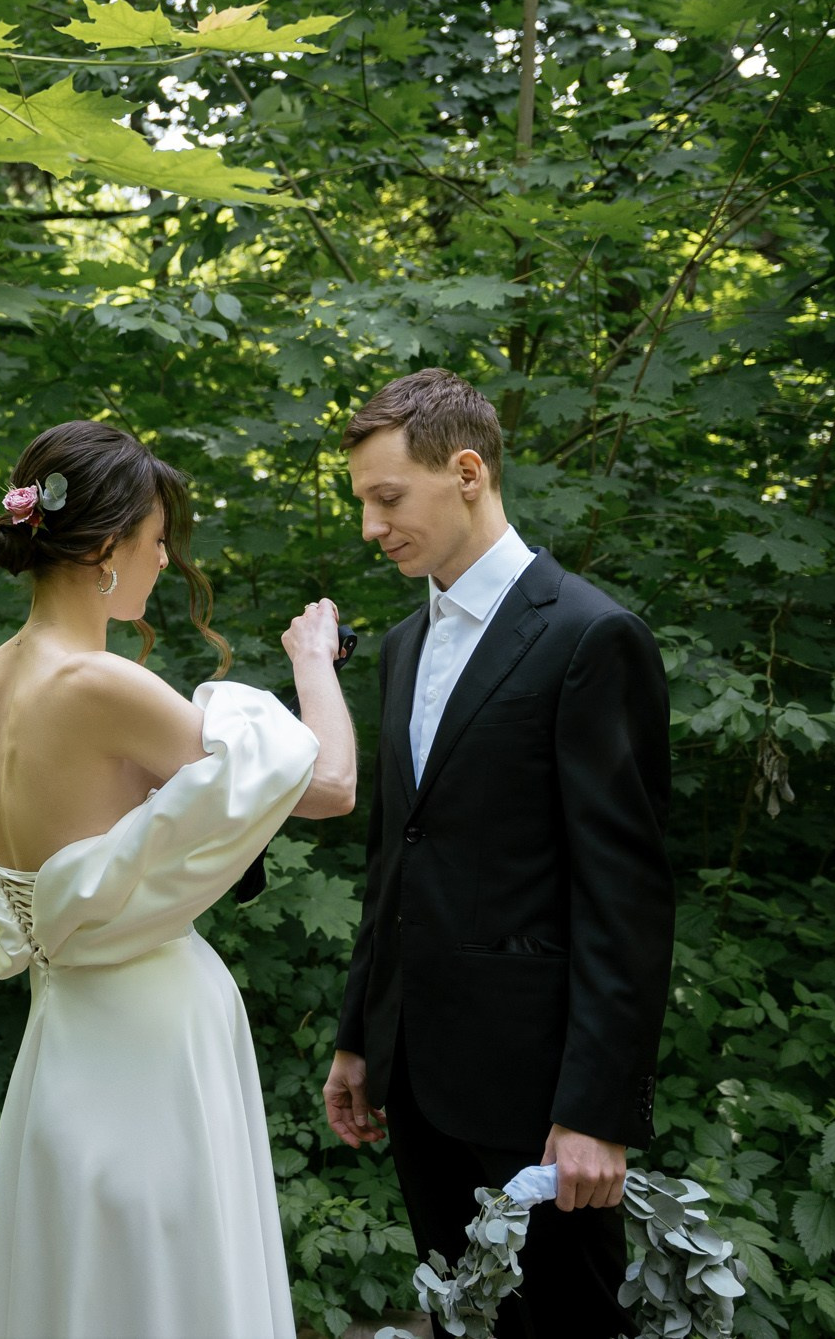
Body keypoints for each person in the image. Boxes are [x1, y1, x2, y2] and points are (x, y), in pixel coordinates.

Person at [0, 419, 357, 1338]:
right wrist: (310, 665)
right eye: (153, 538)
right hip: (151, 1043)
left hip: (59, 1041)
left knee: (84, 1288)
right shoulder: (99, 684)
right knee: (168, 1292)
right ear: (104, 549)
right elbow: (328, 785)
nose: (165, 556)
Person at [322, 369, 674, 1339]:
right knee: (458, 1317)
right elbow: (393, 860)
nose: (368, 523)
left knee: (565, 1322)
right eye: (361, 500)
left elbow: (626, 898)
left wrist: (597, 1107)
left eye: (385, 496)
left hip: (537, 1088)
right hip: (417, 1071)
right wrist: (361, 1032)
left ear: (466, 470)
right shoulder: (400, 645)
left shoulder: (589, 636)